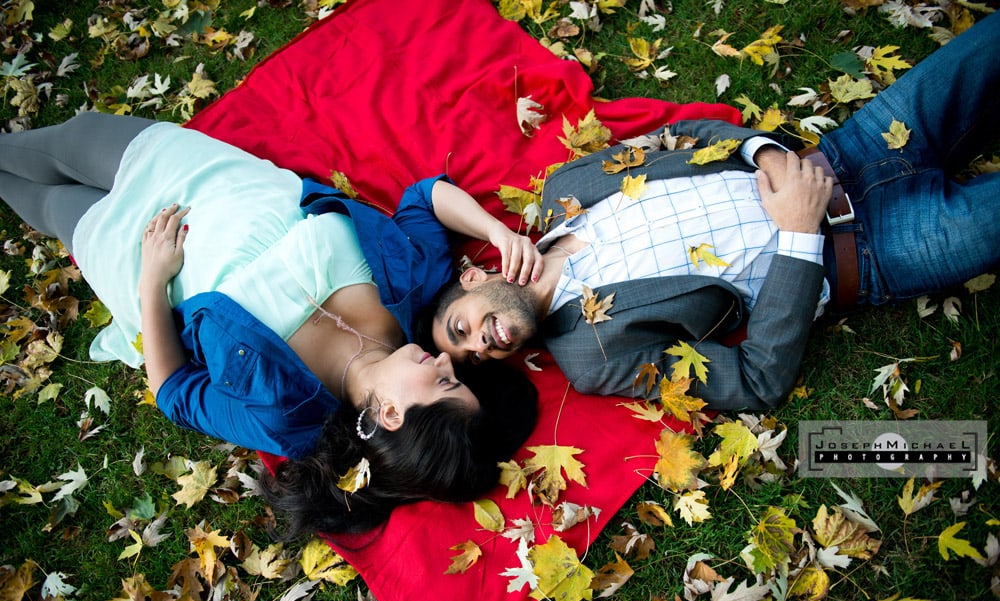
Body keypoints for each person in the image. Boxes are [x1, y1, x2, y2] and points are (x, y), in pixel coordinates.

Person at [422, 12, 1000, 412]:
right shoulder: (590, 357)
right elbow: (757, 380)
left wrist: (768, 154)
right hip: (877, 250)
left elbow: (680, 137)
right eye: (474, 359)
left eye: (460, 328)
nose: (478, 346)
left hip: (856, 146)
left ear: (473, 277)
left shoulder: (562, 192)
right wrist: (800, 235)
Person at [0, 114, 539, 534]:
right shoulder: (416, 295)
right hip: (206, 176)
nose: (447, 361)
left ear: (392, 414)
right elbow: (422, 200)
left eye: (444, 382)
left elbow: (173, 392)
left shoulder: (289, 416)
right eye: (457, 375)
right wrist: (497, 233)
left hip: (138, 256)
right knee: (67, 139)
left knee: (49, 203)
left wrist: (150, 282)